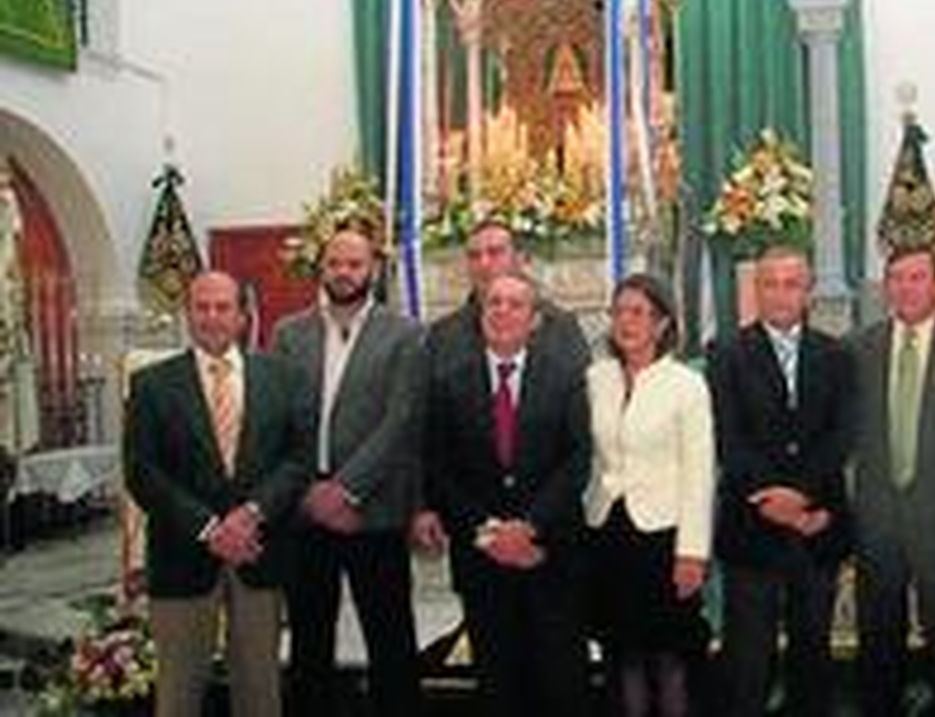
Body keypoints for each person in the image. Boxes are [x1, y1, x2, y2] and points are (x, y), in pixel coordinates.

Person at [124, 271, 313, 717]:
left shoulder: (282, 377)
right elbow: (142, 472)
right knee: (178, 694)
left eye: (222, 307)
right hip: (182, 557)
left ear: (243, 316)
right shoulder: (152, 384)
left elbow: (299, 458)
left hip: (258, 555)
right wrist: (208, 528)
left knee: (260, 692)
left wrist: (251, 514)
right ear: (188, 313)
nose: (212, 317)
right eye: (202, 307)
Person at [422, 270, 592, 714]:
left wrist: (530, 526)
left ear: (535, 319)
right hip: (482, 557)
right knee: (499, 684)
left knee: (560, 682)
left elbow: (578, 459)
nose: (502, 311)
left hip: (549, 553)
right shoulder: (449, 382)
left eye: (515, 304)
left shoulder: (568, 377)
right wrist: (489, 530)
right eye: (493, 302)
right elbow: (438, 467)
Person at [272, 227, 425, 715]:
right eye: (335, 262)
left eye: (354, 264)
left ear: (373, 270)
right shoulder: (288, 333)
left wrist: (346, 490)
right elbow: (278, 419)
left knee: (391, 640)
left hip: (372, 513)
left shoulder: (404, 334)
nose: (344, 272)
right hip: (305, 513)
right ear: (322, 267)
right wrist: (310, 492)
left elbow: (401, 421)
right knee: (309, 643)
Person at [710, 245, 854, 716]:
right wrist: (773, 498)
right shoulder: (727, 354)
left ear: (808, 291)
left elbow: (842, 434)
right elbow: (729, 438)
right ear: (757, 290)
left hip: (817, 529)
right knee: (747, 666)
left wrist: (803, 498)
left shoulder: (836, 354)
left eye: (791, 283)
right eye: (770, 283)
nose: (780, 294)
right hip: (752, 531)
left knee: (812, 662)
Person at [846, 245, 935, 716]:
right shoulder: (857, 350)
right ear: (886, 286)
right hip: (878, 523)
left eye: (917, 277)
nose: (906, 287)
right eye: (897, 278)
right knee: (878, 650)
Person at [411, 218, 589, 554]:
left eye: (495, 252)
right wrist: (423, 504)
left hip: (549, 526)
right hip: (472, 523)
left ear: (519, 259)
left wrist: (531, 524)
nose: (484, 263)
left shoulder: (561, 326)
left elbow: (579, 434)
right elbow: (426, 431)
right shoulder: (441, 336)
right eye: (474, 255)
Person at [584, 273, 715, 717]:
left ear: (662, 324)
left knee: (669, 659)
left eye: (638, 312)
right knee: (623, 657)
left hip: (664, 539)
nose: (627, 322)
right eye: (619, 311)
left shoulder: (685, 384)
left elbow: (700, 474)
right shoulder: (595, 379)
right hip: (609, 534)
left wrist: (692, 553)